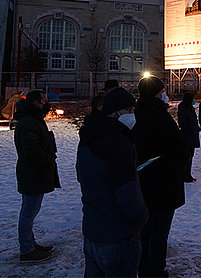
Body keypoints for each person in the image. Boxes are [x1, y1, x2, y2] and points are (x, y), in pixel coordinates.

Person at [77, 87, 148, 277]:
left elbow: (82, 177)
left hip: (93, 230)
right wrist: (142, 216)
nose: (133, 115)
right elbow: (127, 193)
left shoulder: (88, 136)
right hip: (118, 235)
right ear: (114, 112)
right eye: (129, 110)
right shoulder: (118, 143)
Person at [132, 75, 188, 277]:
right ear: (157, 92)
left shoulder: (138, 114)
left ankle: (144, 267)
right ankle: (156, 271)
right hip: (163, 181)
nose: (164, 94)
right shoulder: (159, 115)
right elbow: (179, 145)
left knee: (145, 229)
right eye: (162, 90)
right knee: (159, 231)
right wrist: (178, 162)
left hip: (144, 180)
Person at [13, 90, 60, 262]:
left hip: (33, 172)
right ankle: (27, 249)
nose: (47, 104)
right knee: (28, 211)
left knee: (30, 210)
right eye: (44, 101)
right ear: (34, 103)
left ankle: (30, 244)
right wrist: (48, 159)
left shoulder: (31, 120)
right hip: (32, 172)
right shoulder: (29, 123)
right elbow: (31, 149)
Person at [177, 92, 200, 182]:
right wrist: (190, 130)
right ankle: (184, 175)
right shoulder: (183, 108)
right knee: (186, 156)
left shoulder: (190, 108)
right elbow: (182, 122)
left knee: (190, 156)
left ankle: (188, 174)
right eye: (193, 98)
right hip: (187, 136)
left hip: (192, 135)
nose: (195, 100)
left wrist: (196, 128)